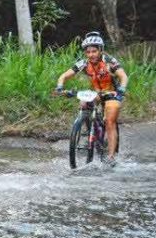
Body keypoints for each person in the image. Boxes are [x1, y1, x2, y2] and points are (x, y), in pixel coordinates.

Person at [54, 31, 128, 163]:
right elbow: (64, 76)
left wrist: (121, 89)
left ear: (100, 50)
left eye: (94, 51)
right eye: (88, 52)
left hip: (111, 93)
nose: (91, 55)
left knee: (110, 121)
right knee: (83, 103)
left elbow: (123, 76)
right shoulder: (83, 63)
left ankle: (111, 156)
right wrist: (60, 87)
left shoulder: (109, 61)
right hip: (96, 93)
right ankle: (89, 129)